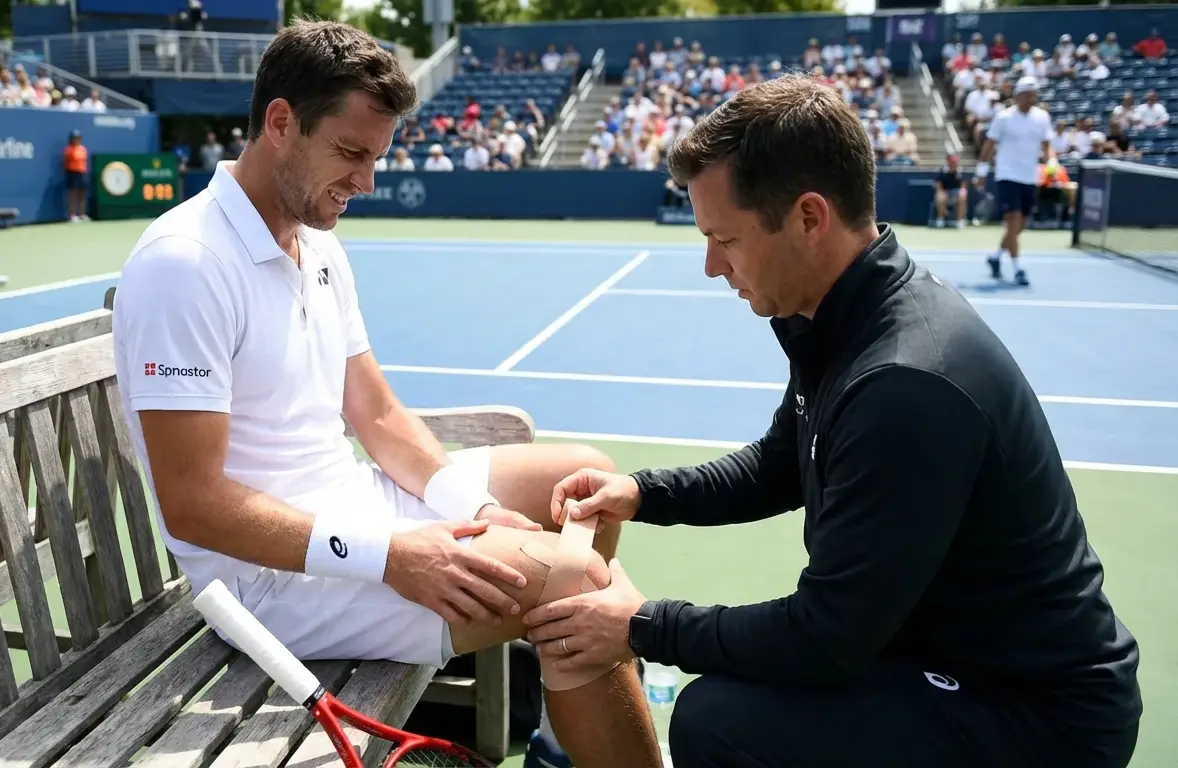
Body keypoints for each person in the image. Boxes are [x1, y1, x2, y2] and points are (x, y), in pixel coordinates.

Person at [522, 73, 1142, 768]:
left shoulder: (904, 385)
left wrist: (640, 626)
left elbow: (824, 639)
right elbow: (782, 462)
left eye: (724, 238)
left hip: (1037, 718)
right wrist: (643, 493)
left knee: (718, 720)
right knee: (733, 703)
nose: (709, 266)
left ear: (809, 218)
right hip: (951, 660)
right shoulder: (836, 312)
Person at [109, 20, 659, 768]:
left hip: (351, 510)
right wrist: (391, 556)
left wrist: (472, 512)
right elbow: (193, 504)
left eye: (377, 157)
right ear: (280, 124)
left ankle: (563, 735)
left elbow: (377, 415)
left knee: (578, 484)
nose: (366, 181)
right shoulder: (184, 264)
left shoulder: (319, 246)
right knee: (577, 579)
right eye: (351, 153)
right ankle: (585, 710)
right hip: (267, 584)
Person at [974, 75, 1054, 286]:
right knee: (1012, 221)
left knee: (1019, 226)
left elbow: (1047, 147)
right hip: (1007, 175)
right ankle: (1019, 269)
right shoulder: (1003, 117)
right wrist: (981, 172)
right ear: (1017, 96)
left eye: (1033, 95)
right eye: (1027, 95)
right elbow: (989, 146)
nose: (1030, 99)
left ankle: (996, 256)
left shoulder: (1042, 117)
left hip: (1030, 177)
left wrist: (1052, 164)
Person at [932, 152, 968, 229]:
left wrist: (962, 192)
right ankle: (940, 220)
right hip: (945, 193)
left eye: (955, 161)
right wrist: (941, 193)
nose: (954, 163)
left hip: (956, 194)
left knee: (962, 196)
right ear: (948, 161)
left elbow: (963, 186)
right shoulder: (942, 171)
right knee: (940, 196)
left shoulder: (960, 171)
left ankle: (959, 221)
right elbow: (938, 186)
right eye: (952, 161)